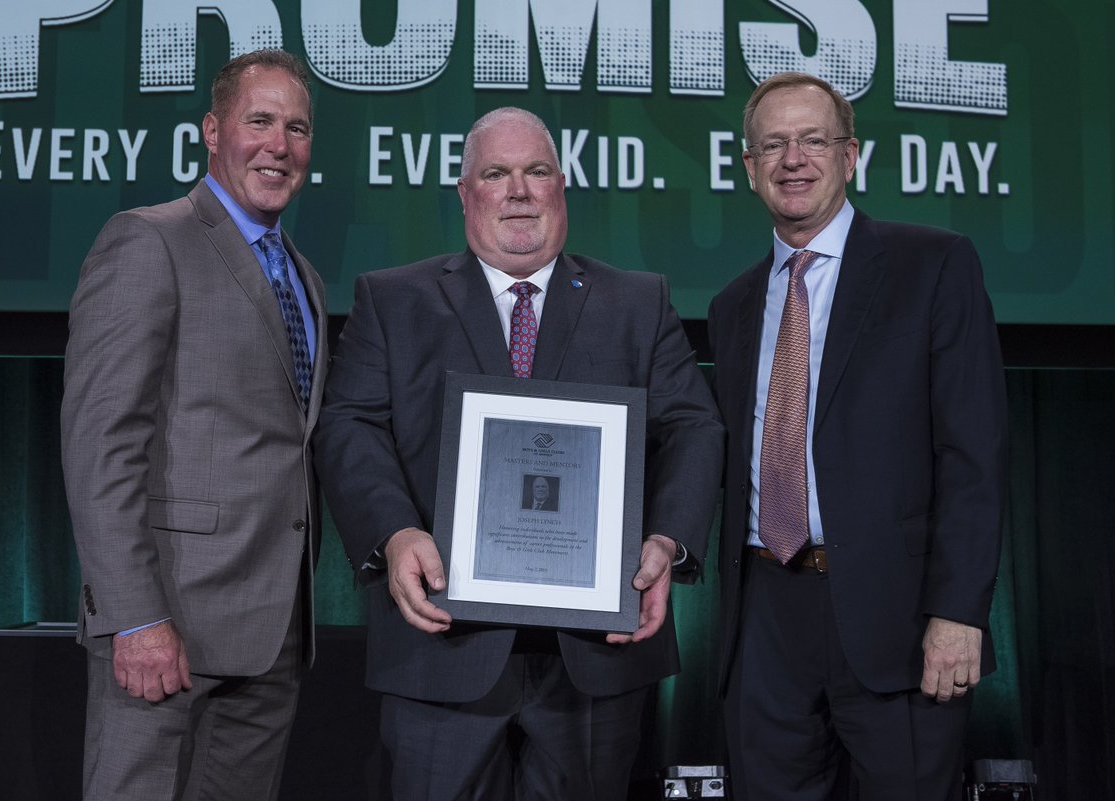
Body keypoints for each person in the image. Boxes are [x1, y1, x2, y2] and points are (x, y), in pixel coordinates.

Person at [315, 106, 724, 801]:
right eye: (496, 173)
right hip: (441, 652)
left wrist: (669, 539)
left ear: (561, 188)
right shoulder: (393, 299)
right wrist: (395, 531)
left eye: (537, 171)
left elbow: (695, 426)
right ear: (466, 191)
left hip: (596, 659)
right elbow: (348, 424)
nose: (519, 190)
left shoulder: (637, 300)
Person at [708, 71, 1007, 801]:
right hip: (766, 621)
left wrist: (960, 610)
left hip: (897, 620)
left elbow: (974, 453)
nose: (793, 159)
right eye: (773, 145)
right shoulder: (733, 305)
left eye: (814, 139)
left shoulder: (932, 265)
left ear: (852, 156)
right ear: (748, 169)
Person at [60, 49, 326, 801]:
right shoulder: (149, 240)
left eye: (297, 128)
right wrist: (134, 615)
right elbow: (100, 443)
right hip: (165, 626)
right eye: (260, 121)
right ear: (213, 131)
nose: (279, 144)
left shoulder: (302, 274)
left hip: (272, 635)